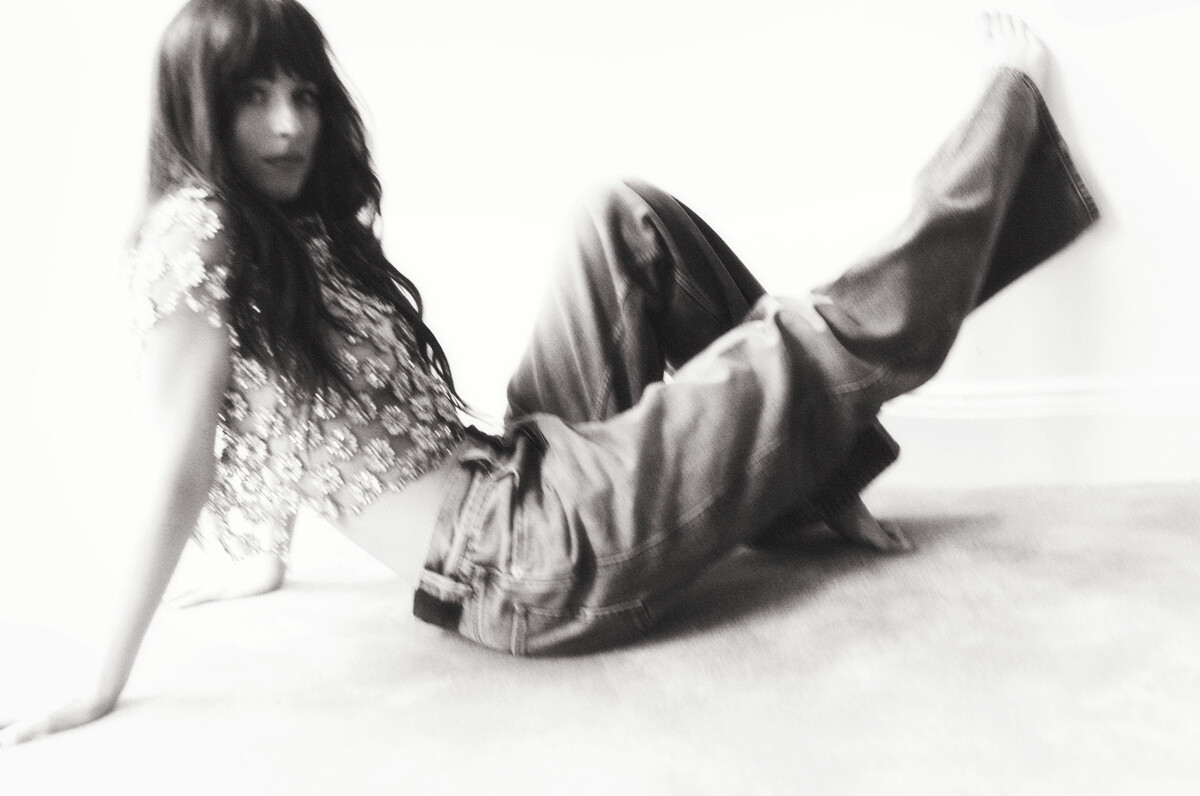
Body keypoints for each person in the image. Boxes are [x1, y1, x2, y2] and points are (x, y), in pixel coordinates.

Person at [0, 1, 1097, 745]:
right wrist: (101, 680)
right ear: (200, 105)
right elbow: (180, 463)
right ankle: (1009, 119)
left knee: (618, 218)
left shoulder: (278, 227)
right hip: (531, 564)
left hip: (517, 472)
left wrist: (265, 558)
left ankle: (811, 476)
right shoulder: (197, 234)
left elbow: (283, 398)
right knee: (800, 342)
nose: (289, 125)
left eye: (305, 94)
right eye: (254, 97)